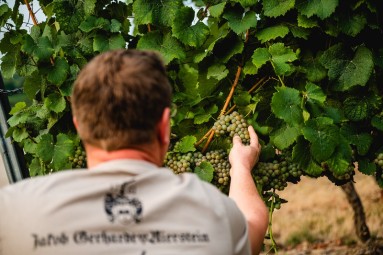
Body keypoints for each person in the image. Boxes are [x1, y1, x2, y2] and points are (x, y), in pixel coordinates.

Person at [0, 49, 268, 254]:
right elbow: (253, 223)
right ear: (164, 127)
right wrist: (241, 167)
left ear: (80, 128)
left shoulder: (11, 211)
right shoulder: (214, 211)